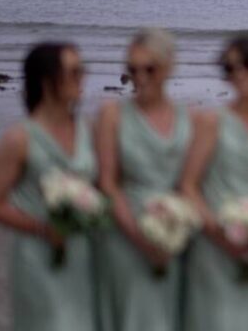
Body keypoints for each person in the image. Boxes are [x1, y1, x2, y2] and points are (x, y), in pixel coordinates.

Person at [0, 42, 97, 331]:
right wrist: (43, 228)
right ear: (47, 81)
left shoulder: (86, 130)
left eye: (83, 70)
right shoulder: (19, 138)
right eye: (74, 72)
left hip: (82, 253)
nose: (82, 77)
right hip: (38, 255)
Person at [180, 36, 248, 331]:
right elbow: (188, 185)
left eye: (247, 65)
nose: (238, 74)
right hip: (214, 246)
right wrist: (218, 230)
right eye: (229, 68)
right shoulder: (213, 122)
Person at [96, 28, 192, 331]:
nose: (140, 77)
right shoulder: (112, 115)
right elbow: (107, 183)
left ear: (167, 67)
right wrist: (139, 236)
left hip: (172, 237)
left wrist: (176, 228)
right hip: (125, 234)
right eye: (132, 69)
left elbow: (188, 184)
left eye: (149, 68)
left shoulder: (188, 118)